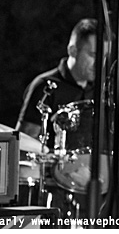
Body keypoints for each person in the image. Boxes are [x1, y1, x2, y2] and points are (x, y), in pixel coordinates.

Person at [16, 18, 97, 148]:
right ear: (73, 51)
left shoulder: (101, 90)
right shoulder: (45, 86)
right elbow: (25, 143)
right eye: (93, 55)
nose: (100, 63)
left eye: (104, 57)